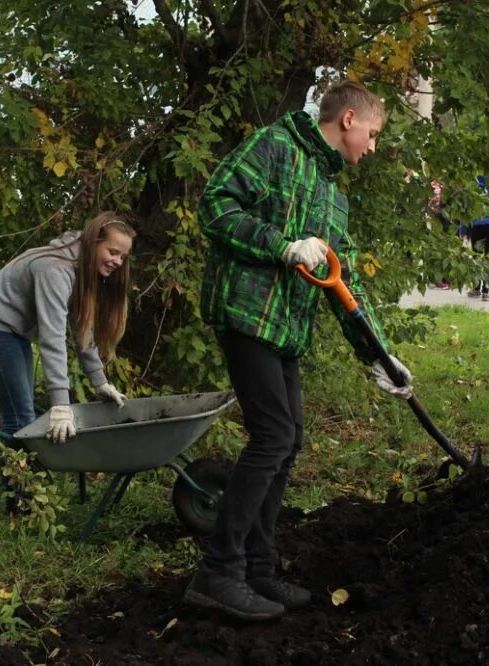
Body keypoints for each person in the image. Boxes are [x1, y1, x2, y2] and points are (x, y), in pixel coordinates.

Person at [187, 79, 414, 621]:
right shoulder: (273, 146)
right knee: (273, 436)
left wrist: (380, 355)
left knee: (288, 441)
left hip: (286, 329)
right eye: (375, 135)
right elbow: (214, 206)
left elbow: (345, 284)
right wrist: (281, 245)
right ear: (350, 119)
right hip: (246, 314)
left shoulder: (333, 196)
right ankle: (218, 573)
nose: (373, 148)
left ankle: (259, 570)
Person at [0, 212, 136, 448]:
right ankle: (18, 483)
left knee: (23, 413)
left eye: (122, 256)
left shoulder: (83, 266)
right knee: (20, 419)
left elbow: (82, 327)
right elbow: (52, 337)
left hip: (14, 333)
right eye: (113, 252)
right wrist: (60, 405)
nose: (118, 261)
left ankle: (28, 477)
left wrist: (100, 382)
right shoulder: (56, 271)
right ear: (94, 242)